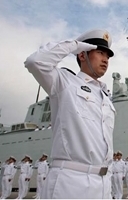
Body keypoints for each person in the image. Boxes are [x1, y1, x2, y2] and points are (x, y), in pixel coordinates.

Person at [25, 29, 116, 198]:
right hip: (71, 182)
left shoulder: (105, 96)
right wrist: (75, 45)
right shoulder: (65, 82)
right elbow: (34, 62)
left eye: (108, 56)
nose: (105, 60)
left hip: (102, 184)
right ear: (82, 55)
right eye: (100, 53)